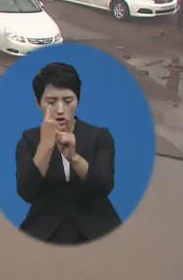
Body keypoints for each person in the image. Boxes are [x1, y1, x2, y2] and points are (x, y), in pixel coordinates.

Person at [15, 62, 121, 245]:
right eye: (51, 102)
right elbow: (26, 192)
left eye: (68, 100)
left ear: (77, 100)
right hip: (45, 228)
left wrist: (74, 157)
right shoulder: (28, 141)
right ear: (38, 103)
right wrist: (46, 144)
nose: (60, 110)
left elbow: (104, 187)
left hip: (96, 225)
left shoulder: (100, 137)